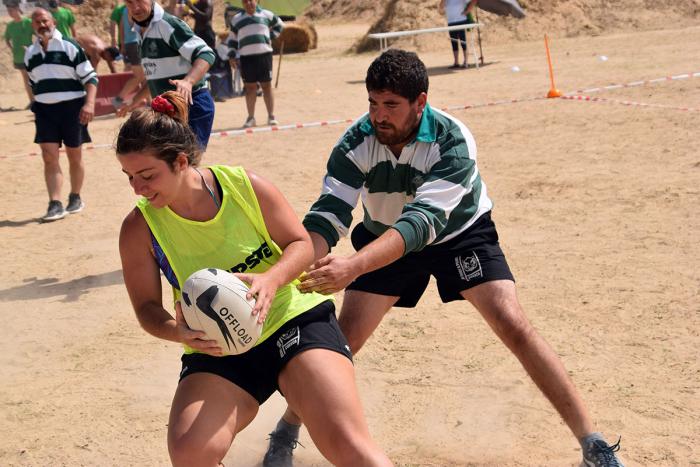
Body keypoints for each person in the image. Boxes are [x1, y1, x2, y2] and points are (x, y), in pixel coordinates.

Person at [262, 49, 625, 467]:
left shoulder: (452, 140)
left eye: (391, 106)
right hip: (385, 237)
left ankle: (593, 445)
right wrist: (291, 265)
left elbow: (422, 224)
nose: (379, 116)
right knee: (342, 342)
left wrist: (353, 266)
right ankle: (286, 431)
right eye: (373, 103)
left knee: (513, 323)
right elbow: (329, 214)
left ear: (421, 102)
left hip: (458, 234)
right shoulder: (356, 141)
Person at [116, 90, 394, 467]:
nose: (138, 189)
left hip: (291, 320)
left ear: (181, 162)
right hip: (219, 347)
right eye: (129, 176)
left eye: (147, 175)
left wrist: (272, 278)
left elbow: (300, 243)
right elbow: (146, 308)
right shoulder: (139, 228)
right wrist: (178, 331)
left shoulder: (244, 186)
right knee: (189, 455)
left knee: (351, 448)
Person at [25, 8, 96, 222]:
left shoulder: (70, 46)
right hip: (45, 111)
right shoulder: (30, 52)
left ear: (53, 22)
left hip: (72, 108)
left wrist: (89, 104)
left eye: (45, 20)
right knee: (49, 157)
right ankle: (54, 203)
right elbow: (33, 83)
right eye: (37, 22)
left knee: (75, 155)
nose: (42, 24)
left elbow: (91, 78)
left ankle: (75, 196)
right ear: (33, 26)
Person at [116, 0, 216, 150]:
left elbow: (206, 54)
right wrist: (133, 102)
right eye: (130, 2)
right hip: (166, 110)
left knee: (184, 163)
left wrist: (188, 81)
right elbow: (153, 79)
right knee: (170, 164)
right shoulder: (139, 31)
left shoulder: (166, 24)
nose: (135, 7)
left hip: (192, 104)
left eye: (140, 1)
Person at [226, 0, 283, 128]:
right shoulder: (236, 19)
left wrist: (269, 36)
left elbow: (280, 25)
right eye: (245, 1)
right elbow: (232, 39)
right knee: (250, 88)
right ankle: (251, 118)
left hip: (264, 56)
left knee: (267, 86)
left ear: (256, 1)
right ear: (242, 3)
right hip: (246, 57)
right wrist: (231, 55)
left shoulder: (266, 14)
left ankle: (271, 116)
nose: (248, 3)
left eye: (251, 1)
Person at [109, 2, 147, 108]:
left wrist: (123, 44)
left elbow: (121, 27)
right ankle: (118, 99)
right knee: (140, 76)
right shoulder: (135, 9)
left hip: (130, 43)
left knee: (144, 75)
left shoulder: (126, 9)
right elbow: (135, 25)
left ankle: (149, 102)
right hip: (135, 43)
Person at [3, 1, 34, 107]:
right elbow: (7, 39)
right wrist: (12, 48)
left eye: (11, 10)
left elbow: (39, 34)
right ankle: (32, 101)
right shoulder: (10, 25)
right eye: (8, 11)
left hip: (31, 56)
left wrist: (33, 48)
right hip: (18, 57)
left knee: (34, 77)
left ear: (17, 9)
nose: (10, 13)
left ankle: (39, 101)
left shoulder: (29, 22)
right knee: (26, 79)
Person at [438, 0, 476, 68]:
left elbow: (474, 1)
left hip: (461, 21)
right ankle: (456, 62)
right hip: (451, 22)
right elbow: (441, 7)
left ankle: (466, 62)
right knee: (454, 43)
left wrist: (467, 11)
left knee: (463, 42)